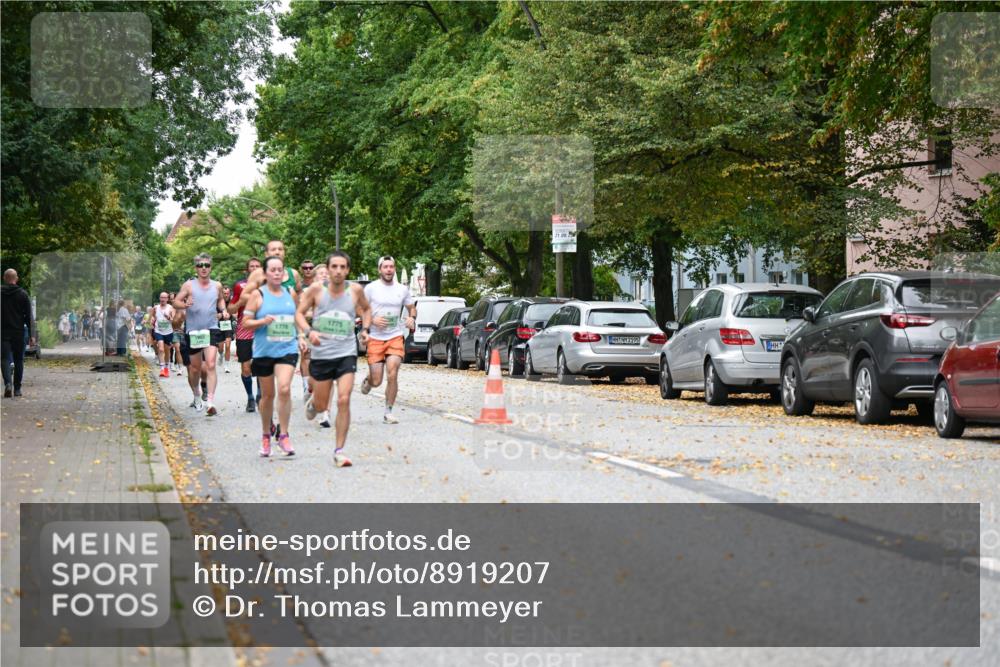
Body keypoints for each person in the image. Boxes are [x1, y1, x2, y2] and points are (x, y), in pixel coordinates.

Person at [296, 252, 370, 467]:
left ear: (348, 270)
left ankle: (339, 450)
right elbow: (299, 314)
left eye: (342, 267)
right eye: (334, 266)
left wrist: (365, 329)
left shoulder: (355, 290)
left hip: (346, 352)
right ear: (328, 269)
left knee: (343, 399)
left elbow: (366, 309)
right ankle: (315, 403)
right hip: (321, 353)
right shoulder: (316, 291)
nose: (338, 271)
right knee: (321, 405)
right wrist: (309, 332)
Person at [243, 255, 298, 457]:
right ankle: (266, 435)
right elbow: (245, 323)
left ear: (284, 274)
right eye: (272, 270)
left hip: (287, 349)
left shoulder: (290, 293)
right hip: (264, 351)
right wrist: (262, 322)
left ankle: (284, 435)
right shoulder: (258, 295)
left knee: (284, 388)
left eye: (279, 270)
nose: (276, 273)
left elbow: (297, 317)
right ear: (265, 273)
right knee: (267, 395)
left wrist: (301, 336)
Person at [361, 256, 415, 424]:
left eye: (391, 267)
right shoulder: (370, 289)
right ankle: (369, 380)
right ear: (380, 270)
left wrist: (412, 318)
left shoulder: (402, 289)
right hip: (376, 338)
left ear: (394, 269)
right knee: (377, 380)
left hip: (395, 336)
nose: (389, 270)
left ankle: (388, 411)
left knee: (393, 373)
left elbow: (411, 308)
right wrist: (372, 320)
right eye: (385, 267)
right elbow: (360, 309)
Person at [173, 254, 225, 415]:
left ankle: (210, 402)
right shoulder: (189, 285)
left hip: (211, 328)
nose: (203, 268)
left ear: (211, 267)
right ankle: (196, 394)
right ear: (196, 268)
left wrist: (223, 310)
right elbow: (175, 302)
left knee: (210, 364)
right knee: (195, 369)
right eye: (200, 265)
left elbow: (221, 300)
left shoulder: (217, 285)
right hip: (193, 331)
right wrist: (184, 303)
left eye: (206, 265)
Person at [228, 258, 262, 412]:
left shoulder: (269, 285)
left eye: (257, 266)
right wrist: (240, 302)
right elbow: (230, 310)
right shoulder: (239, 286)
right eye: (251, 266)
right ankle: (250, 397)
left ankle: (260, 394)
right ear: (247, 270)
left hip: (263, 328)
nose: (254, 268)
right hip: (244, 329)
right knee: (246, 367)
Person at [2, 268, 34, 398]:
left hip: (2, 332)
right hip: (18, 332)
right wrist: (32, 335)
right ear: (17, 278)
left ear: (4, 278)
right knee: (19, 360)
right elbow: (28, 316)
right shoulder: (23, 294)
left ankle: (8, 384)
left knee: (4, 359)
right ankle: (17, 389)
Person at [151, 293, 175, 377]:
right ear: (159, 298)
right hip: (158, 331)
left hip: (168, 332)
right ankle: (161, 369)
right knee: (161, 349)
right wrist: (152, 320)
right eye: (161, 297)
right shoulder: (155, 308)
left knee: (167, 350)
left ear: (167, 299)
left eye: (165, 297)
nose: (163, 299)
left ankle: (166, 368)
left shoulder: (170, 308)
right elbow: (153, 316)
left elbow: (173, 320)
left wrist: (168, 317)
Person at [217, 285, 235, 373]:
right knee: (220, 348)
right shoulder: (218, 301)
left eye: (227, 293)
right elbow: (212, 314)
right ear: (221, 293)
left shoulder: (232, 301)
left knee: (228, 345)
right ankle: (220, 355)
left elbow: (236, 313)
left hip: (228, 325)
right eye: (224, 293)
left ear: (230, 293)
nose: (226, 295)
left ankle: (226, 365)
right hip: (219, 325)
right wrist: (219, 315)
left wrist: (231, 314)